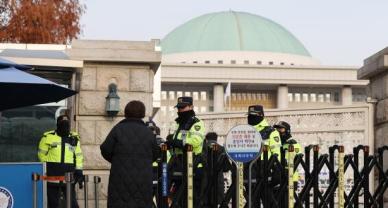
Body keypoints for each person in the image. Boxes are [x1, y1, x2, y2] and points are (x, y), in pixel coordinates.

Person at [100, 100, 160, 208]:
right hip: (143, 180)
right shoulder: (148, 133)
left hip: (119, 179)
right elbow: (156, 153)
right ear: (142, 113)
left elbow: (105, 149)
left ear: (126, 112)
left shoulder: (118, 129)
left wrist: (117, 160)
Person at [166, 96, 205, 208]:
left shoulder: (196, 123)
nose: (180, 110)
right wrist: (171, 144)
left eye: (183, 107)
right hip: (179, 165)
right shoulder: (180, 124)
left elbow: (195, 142)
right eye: (178, 108)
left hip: (194, 165)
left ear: (191, 107)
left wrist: (176, 142)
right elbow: (180, 141)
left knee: (192, 200)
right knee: (178, 200)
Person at [38, 115, 83, 208]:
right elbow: (41, 155)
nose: (65, 127)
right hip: (52, 177)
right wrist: (49, 168)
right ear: (57, 125)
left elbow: (78, 156)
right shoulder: (48, 137)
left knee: (73, 204)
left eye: (67, 124)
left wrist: (79, 171)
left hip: (68, 177)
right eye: (62, 124)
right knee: (53, 204)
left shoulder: (74, 138)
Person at [246, 105, 282, 206]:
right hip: (249, 168)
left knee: (268, 202)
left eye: (253, 115)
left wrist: (276, 170)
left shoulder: (271, 132)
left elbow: (276, 153)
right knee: (252, 203)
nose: (250, 118)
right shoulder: (246, 131)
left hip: (265, 168)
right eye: (249, 115)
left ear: (261, 115)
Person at [200, 132, 232, 207]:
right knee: (217, 201)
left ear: (206, 139)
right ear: (216, 139)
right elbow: (226, 167)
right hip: (218, 179)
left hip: (204, 179)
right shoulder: (222, 149)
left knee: (205, 201)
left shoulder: (203, 149)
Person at [273, 121, 302, 190]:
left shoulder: (293, 143)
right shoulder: (278, 144)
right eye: (277, 129)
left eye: (281, 129)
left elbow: (297, 160)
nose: (278, 131)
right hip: (279, 176)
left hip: (290, 177)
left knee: (287, 199)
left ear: (287, 130)